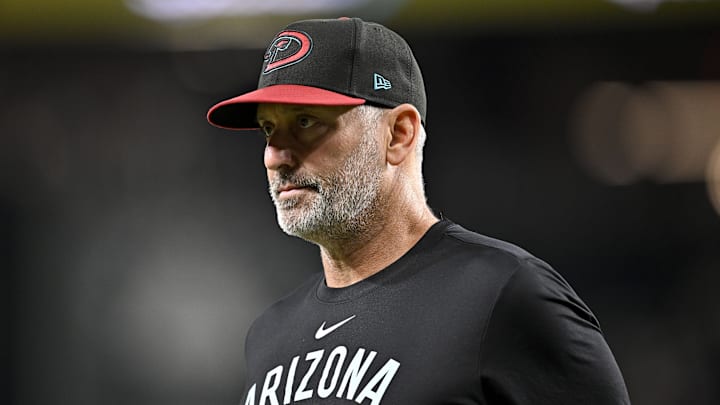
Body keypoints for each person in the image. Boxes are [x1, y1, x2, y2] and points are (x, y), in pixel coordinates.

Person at [207, 17, 631, 405]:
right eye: (268, 129)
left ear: (399, 134)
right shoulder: (270, 337)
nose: (275, 157)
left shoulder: (502, 297)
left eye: (305, 122)